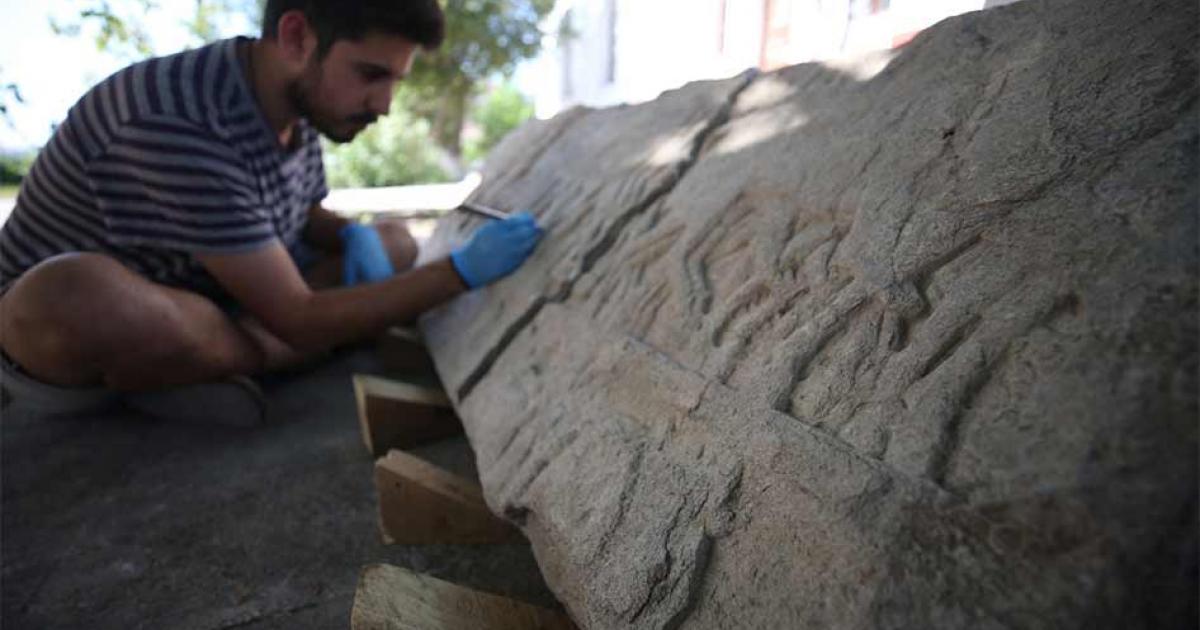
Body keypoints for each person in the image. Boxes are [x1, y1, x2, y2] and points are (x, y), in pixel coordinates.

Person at [0, 0, 543, 426]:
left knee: (396, 242)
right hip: (63, 343)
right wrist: (458, 274)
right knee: (76, 295)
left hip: (221, 296)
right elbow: (297, 318)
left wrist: (353, 238)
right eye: (370, 74)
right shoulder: (178, 117)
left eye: (395, 81)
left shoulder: (296, 106)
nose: (384, 105)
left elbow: (304, 215)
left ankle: (204, 367)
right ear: (296, 37)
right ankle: (206, 366)